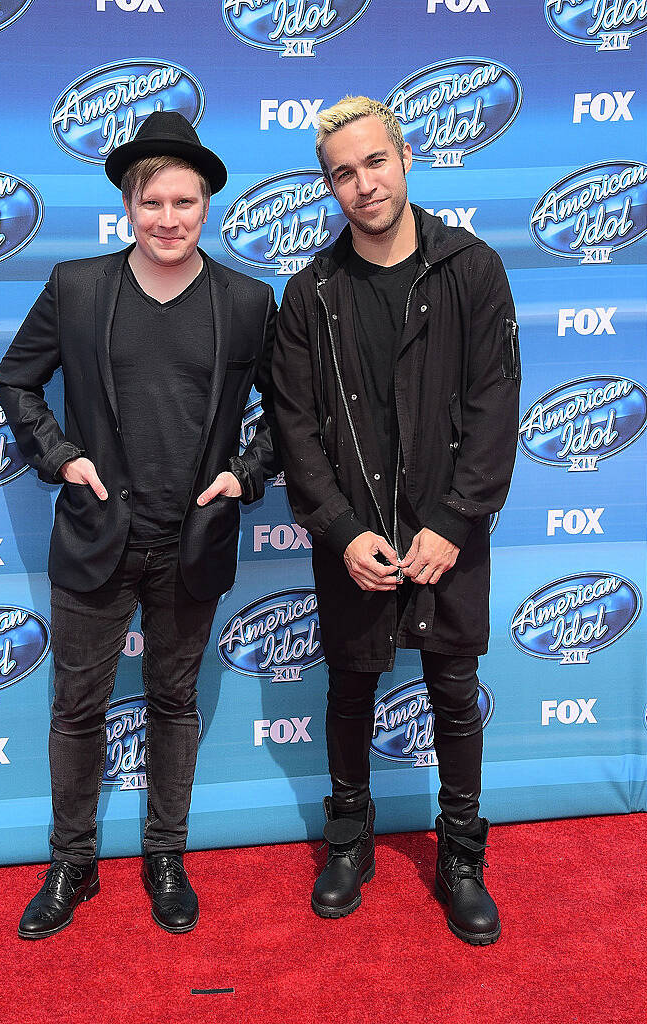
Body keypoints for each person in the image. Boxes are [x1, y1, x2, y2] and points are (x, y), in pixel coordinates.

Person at [0, 111, 277, 938]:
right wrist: (63, 459)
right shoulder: (77, 288)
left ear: (207, 206)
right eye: (153, 202)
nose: (169, 219)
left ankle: (165, 855)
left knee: (173, 701)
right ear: (128, 205)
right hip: (95, 532)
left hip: (190, 538)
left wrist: (243, 475)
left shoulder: (248, 301)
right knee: (77, 704)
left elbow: (291, 413)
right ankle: (72, 862)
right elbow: (17, 381)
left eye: (185, 202)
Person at [272, 96, 520, 945]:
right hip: (357, 536)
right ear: (329, 187)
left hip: (449, 531)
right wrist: (340, 532)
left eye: (374, 162)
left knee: (454, 693)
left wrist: (454, 519)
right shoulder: (310, 295)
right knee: (348, 688)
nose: (362, 183)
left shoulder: (473, 270)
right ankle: (350, 841)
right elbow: (295, 428)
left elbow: (496, 401)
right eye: (343, 173)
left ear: (405, 157)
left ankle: (459, 859)